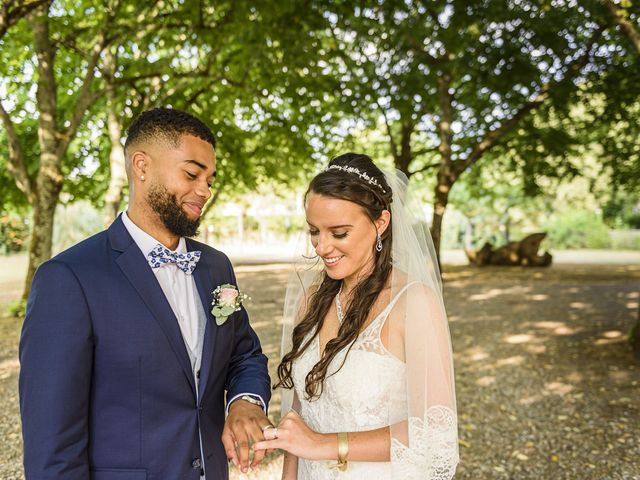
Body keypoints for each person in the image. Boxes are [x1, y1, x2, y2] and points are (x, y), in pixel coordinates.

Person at [19, 107, 272, 480]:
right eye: (191, 174)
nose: (204, 190)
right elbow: (52, 445)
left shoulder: (216, 267)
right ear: (141, 166)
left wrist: (245, 401)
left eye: (210, 179)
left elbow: (244, 353)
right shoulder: (69, 278)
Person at [254, 153, 459, 479]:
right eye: (314, 231)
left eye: (338, 233)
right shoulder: (312, 301)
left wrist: (324, 444)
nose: (321, 247)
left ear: (381, 223)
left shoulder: (413, 303)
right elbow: (299, 414)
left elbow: (434, 431)